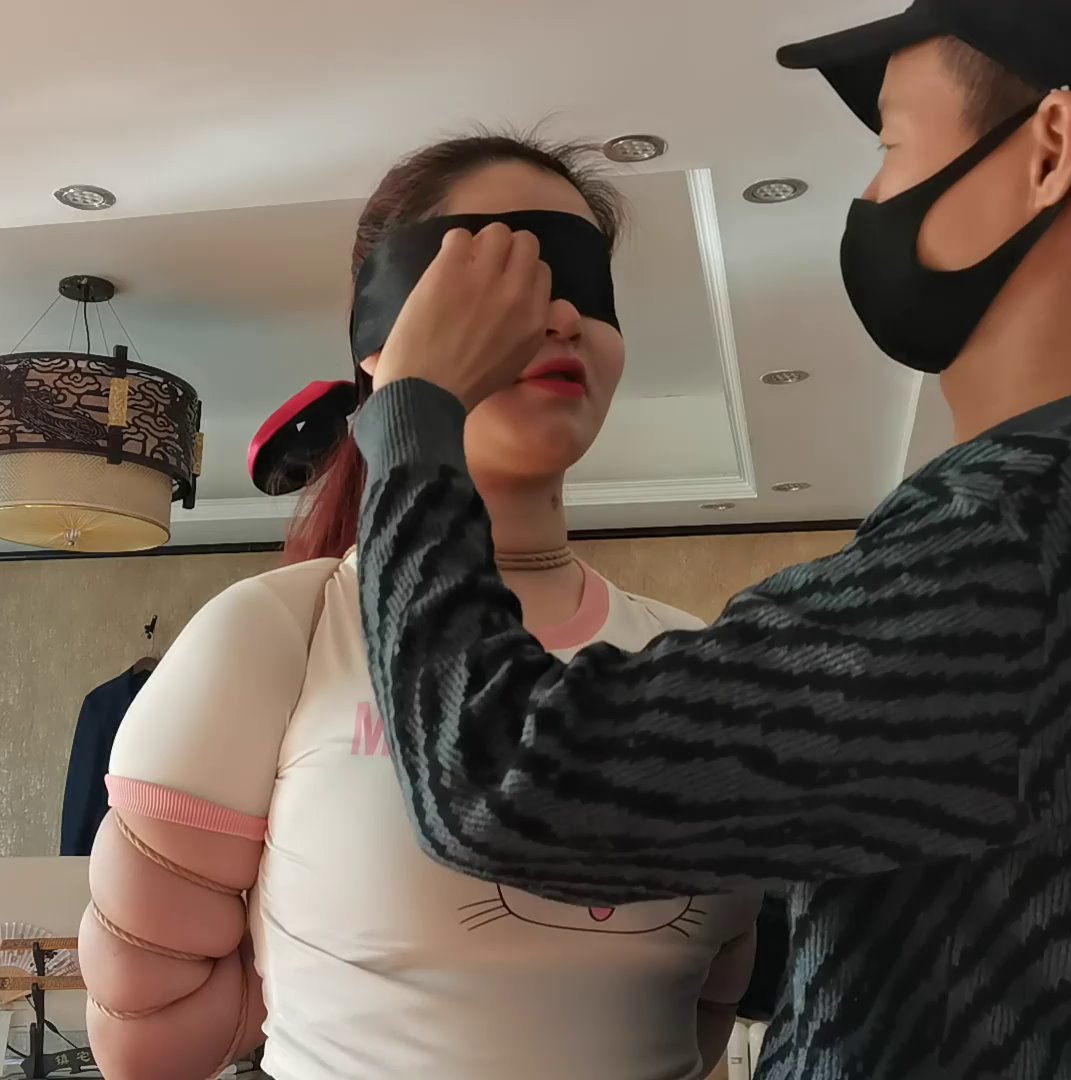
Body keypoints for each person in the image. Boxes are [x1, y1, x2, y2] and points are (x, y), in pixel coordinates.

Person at [345, 2, 1071, 1079]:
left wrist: (414, 410)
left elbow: (497, 775)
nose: (874, 197)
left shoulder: (1023, 541)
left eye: (893, 145)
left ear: (1049, 150)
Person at [77, 133, 761, 1080]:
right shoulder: (274, 637)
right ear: (380, 338)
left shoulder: (693, 655)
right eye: (499, 276)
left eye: (582, 284)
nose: (560, 315)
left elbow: (708, 1014)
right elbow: (148, 1038)